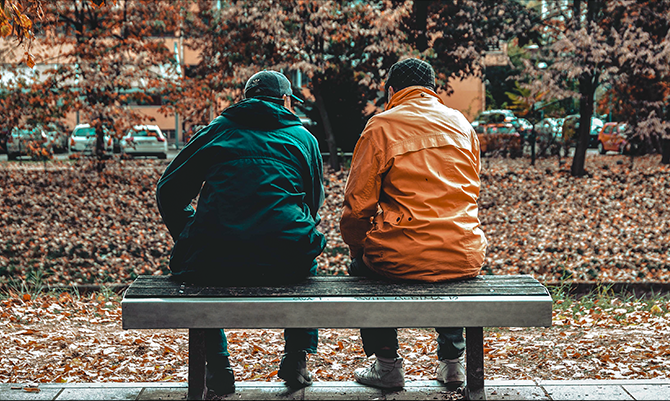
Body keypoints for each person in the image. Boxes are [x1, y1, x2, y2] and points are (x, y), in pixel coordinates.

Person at [156, 70, 326, 395]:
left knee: (197, 271)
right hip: (285, 255)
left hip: (215, 255)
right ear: (287, 101)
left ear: (245, 99)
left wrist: (191, 232)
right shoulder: (305, 139)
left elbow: (168, 191)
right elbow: (313, 201)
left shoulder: (217, 131)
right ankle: (296, 358)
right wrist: (288, 227)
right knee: (306, 260)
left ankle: (217, 366)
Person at [339, 58, 487, 390]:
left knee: (363, 269)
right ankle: (453, 364)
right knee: (446, 268)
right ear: (433, 90)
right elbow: (472, 187)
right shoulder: (462, 124)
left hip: (399, 255)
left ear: (392, 90)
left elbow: (356, 207)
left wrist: (357, 247)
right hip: (463, 251)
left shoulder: (381, 126)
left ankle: (387, 364)